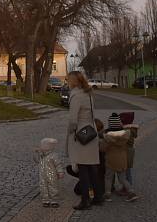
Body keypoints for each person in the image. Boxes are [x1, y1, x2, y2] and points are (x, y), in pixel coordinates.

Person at [65, 71, 104, 210]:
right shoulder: (88, 93)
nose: (67, 82)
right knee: (92, 167)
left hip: (81, 134)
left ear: (74, 81)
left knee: (83, 168)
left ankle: (85, 200)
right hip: (91, 132)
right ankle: (98, 196)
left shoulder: (76, 96)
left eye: (68, 79)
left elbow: (73, 120)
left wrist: (70, 132)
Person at [102, 114, 139, 202]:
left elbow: (103, 148)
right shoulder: (125, 135)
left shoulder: (107, 136)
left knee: (108, 177)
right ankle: (131, 192)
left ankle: (107, 194)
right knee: (122, 178)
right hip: (122, 160)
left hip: (110, 160)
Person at [33, 138, 64, 207]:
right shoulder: (41, 155)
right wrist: (36, 153)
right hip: (42, 175)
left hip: (52, 175)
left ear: (48, 147)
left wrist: (60, 172)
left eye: (42, 146)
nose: (41, 147)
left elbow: (58, 164)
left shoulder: (54, 156)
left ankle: (54, 200)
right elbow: (36, 160)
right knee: (43, 187)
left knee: (53, 187)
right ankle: (45, 200)